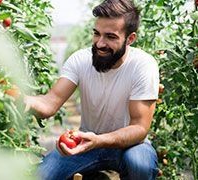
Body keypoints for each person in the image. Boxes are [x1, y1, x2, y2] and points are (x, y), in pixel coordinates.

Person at [24, 0, 160, 179]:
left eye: (110, 37)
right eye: (97, 34)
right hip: (85, 144)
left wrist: (99, 140)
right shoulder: (80, 60)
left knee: (140, 164)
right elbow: (50, 102)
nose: (100, 43)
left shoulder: (143, 65)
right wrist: (21, 98)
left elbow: (139, 128)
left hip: (130, 146)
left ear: (130, 39)